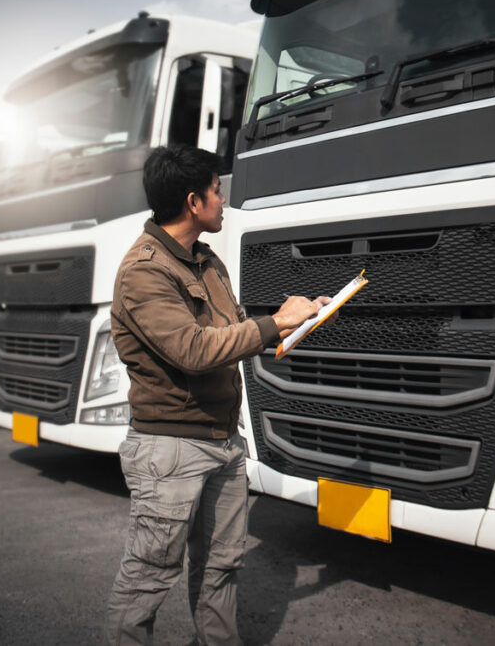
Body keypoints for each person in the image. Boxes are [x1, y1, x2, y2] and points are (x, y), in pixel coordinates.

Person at [105, 144, 328, 645]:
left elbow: (235, 329)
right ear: (193, 201)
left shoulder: (207, 261)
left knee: (220, 570)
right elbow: (192, 349)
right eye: (216, 190)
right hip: (171, 451)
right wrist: (274, 324)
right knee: (146, 581)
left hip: (224, 441)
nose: (223, 200)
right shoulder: (144, 271)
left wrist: (290, 326)